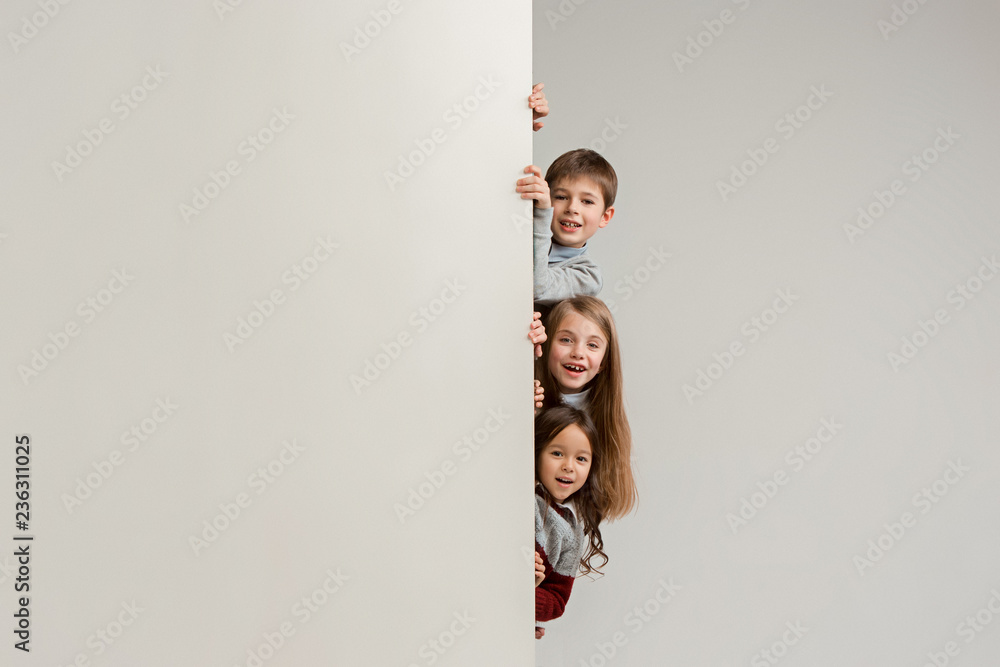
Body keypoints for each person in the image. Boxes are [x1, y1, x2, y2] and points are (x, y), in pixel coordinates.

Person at [534, 296, 636, 521]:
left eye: (592, 345)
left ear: (604, 363)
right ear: (547, 343)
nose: (578, 352)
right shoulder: (530, 392)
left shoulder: (601, 416)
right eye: (566, 340)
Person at [534, 406, 607, 637]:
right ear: (536, 452)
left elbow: (556, 601)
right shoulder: (520, 494)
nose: (569, 465)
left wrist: (525, 594)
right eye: (557, 453)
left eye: (581, 458)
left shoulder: (572, 530)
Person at [515, 149, 618, 310]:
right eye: (561, 197)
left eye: (587, 201)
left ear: (605, 216)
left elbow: (535, 288)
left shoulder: (588, 277)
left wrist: (542, 214)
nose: (572, 208)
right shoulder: (519, 237)